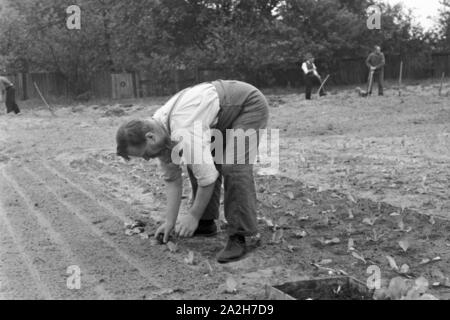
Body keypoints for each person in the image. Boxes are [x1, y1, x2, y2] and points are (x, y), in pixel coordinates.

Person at [116, 80, 269, 263]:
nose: (148, 158)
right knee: (198, 161)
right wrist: (170, 222)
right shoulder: (160, 131)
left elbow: (208, 178)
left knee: (233, 167)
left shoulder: (183, 130)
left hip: (246, 105)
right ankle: (206, 222)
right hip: (218, 116)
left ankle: (240, 235)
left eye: (145, 154)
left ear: (150, 138)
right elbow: (172, 180)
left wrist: (192, 215)